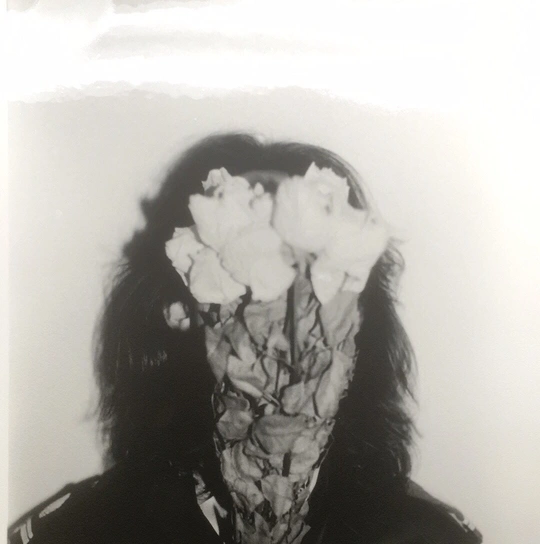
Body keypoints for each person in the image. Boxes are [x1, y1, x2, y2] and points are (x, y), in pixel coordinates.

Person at [8, 133, 483, 544]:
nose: (285, 320)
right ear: (179, 312)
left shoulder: (423, 535)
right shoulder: (86, 530)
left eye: (311, 276)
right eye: (255, 274)